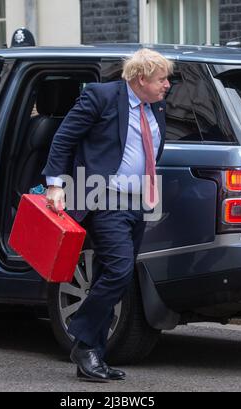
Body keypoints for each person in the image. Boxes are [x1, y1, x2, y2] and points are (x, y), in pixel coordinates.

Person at [42, 49, 173, 382]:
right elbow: (63, 139)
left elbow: (148, 149)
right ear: (141, 79)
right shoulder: (100, 97)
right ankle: (82, 337)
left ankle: (91, 357)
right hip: (104, 198)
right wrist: (55, 185)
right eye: (162, 79)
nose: (167, 85)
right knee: (119, 270)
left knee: (107, 273)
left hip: (137, 203)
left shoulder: (155, 105)